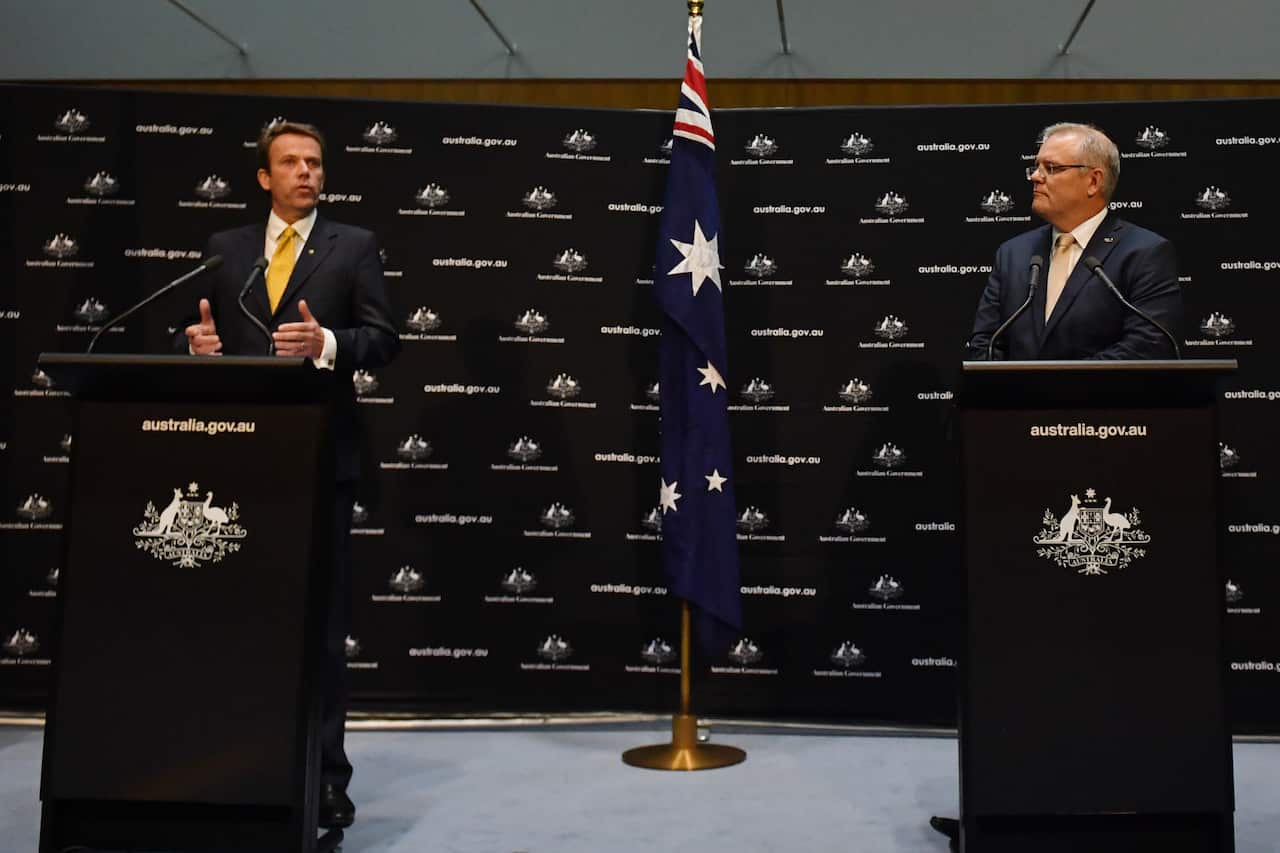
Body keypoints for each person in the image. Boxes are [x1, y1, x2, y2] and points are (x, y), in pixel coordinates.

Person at [176, 121, 400, 830]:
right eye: (291, 163)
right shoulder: (226, 251)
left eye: (315, 162)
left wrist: (329, 341)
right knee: (240, 626)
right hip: (240, 462)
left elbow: (385, 340)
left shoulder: (353, 246)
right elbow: (200, 329)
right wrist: (199, 348)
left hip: (321, 457)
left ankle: (327, 777)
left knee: (323, 632)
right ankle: (235, 766)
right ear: (263, 178)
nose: (307, 172)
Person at [966, 122, 1182, 361]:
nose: (1036, 177)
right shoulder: (1013, 253)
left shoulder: (1144, 252)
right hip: (1017, 399)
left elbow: (1146, 347)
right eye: (1036, 167)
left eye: (1051, 167)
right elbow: (986, 344)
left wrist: (1055, 388)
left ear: (1093, 181)